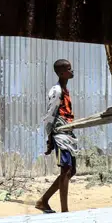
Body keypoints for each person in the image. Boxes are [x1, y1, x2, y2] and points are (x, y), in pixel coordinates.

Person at [38, 58, 78, 213]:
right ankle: (65, 211)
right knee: (66, 170)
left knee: (71, 170)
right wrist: (49, 138)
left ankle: (44, 200)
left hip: (68, 133)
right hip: (59, 134)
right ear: (61, 73)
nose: (72, 71)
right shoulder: (57, 91)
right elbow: (50, 114)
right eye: (69, 69)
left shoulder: (64, 89)